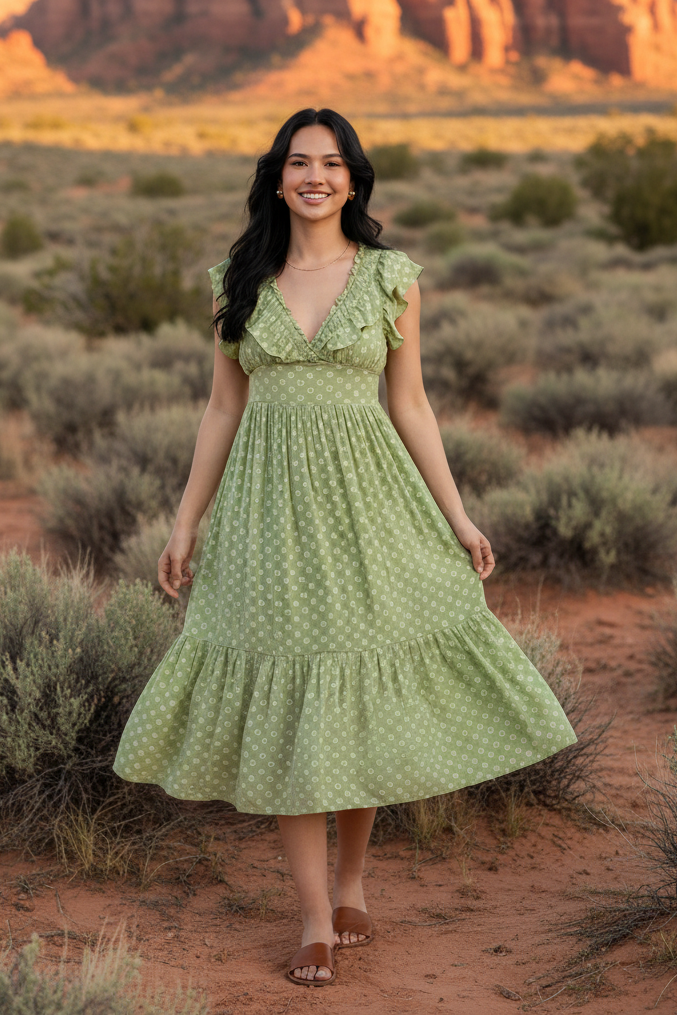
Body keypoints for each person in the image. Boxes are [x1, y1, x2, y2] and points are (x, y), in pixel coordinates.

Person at [114, 107, 577, 987]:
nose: (314, 177)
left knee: (352, 694)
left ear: (353, 179)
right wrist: (184, 522)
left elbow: (411, 404)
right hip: (265, 519)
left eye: (330, 163)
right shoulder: (235, 282)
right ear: (277, 178)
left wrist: (458, 516)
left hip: (371, 508)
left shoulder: (391, 278)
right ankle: (313, 919)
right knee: (296, 700)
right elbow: (222, 408)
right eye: (298, 163)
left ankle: (353, 881)